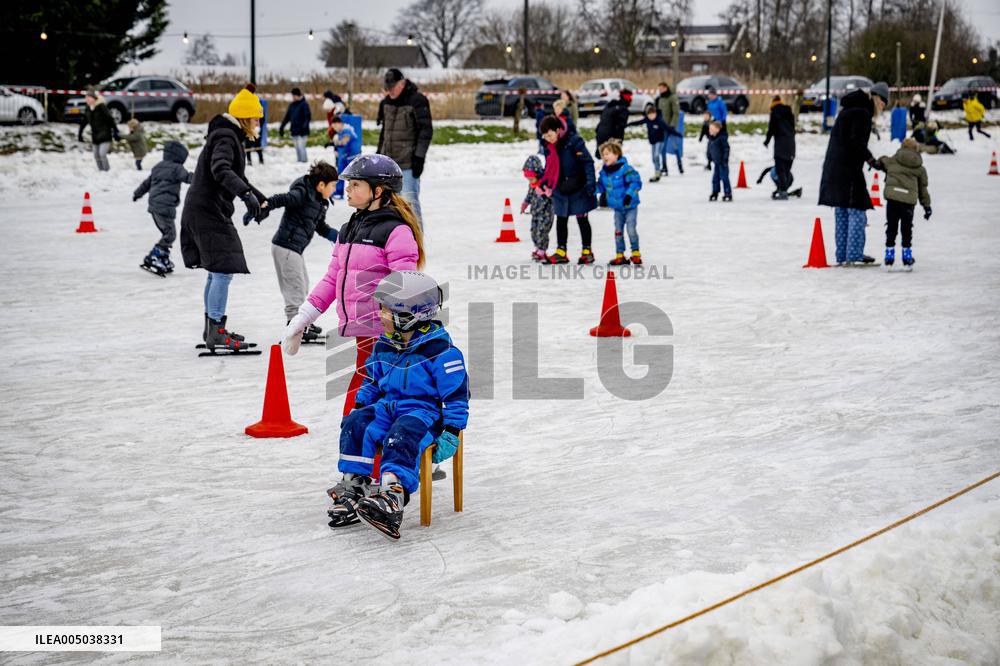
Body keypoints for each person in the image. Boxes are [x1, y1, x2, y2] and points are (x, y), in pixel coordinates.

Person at [325, 270, 469, 540]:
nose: (381, 315)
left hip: (422, 415)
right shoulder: (385, 345)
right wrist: (361, 405)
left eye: (387, 311)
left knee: (402, 433)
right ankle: (355, 485)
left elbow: (457, 396)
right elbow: (372, 380)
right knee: (357, 423)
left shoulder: (442, 352)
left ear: (409, 315)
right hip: (388, 407)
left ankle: (394, 495)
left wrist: (451, 432)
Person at [282, 154, 422, 417]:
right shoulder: (349, 229)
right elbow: (333, 278)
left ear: (377, 190)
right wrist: (303, 318)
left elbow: (404, 283)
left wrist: (398, 330)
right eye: (348, 183)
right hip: (364, 335)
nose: (347, 188)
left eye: (356, 184)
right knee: (361, 400)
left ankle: (379, 452)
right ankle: (363, 449)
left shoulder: (396, 231)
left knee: (368, 402)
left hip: (386, 336)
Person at [180, 83, 268, 353]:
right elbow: (221, 169)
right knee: (223, 268)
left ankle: (212, 329)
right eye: (255, 118)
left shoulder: (226, 135)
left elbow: (236, 175)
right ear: (244, 117)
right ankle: (216, 329)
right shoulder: (226, 137)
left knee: (218, 268)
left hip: (204, 209)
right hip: (208, 211)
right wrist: (244, 195)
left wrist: (257, 197)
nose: (258, 124)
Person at [260, 161, 340, 340]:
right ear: (321, 185)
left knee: (302, 284)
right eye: (333, 186)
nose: (334, 190)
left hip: (293, 249)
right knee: (294, 288)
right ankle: (293, 325)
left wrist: (338, 237)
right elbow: (285, 198)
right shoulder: (303, 193)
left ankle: (302, 323)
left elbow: (320, 226)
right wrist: (266, 205)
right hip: (286, 247)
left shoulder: (319, 201)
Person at [818, 82, 889, 265]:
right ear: (876, 98)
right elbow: (856, 142)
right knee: (857, 210)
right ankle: (854, 255)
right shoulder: (862, 113)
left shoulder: (849, 110)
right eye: (882, 103)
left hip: (834, 167)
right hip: (847, 169)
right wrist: (871, 160)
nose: (882, 107)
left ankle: (843, 255)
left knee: (842, 210)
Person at [377, 68, 433, 225]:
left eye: (392, 88)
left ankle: (417, 246)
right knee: (388, 208)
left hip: (408, 164)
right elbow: (384, 131)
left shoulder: (417, 100)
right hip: (388, 165)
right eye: (387, 89)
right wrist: (379, 155)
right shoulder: (386, 102)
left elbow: (426, 131)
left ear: (402, 84)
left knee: (410, 206)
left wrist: (419, 158)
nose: (389, 92)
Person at [539, 115, 597, 265]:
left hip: (578, 185)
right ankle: (561, 251)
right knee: (561, 218)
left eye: (550, 135)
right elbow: (549, 168)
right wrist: (544, 183)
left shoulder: (574, 142)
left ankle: (587, 251)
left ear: (558, 130)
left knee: (582, 218)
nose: (548, 139)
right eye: (545, 136)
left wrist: (591, 183)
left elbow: (588, 162)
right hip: (560, 187)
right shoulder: (549, 147)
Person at [132, 140, 193, 276]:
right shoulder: (177, 168)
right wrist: (201, 178)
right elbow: (188, 178)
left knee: (167, 233)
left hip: (154, 206)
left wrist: (137, 193)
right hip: (165, 207)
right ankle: (154, 256)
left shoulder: (158, 167)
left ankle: (163, 257)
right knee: (170, 234)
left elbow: (146, 184)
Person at [873, 137, 931, 269]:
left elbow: (882, 161)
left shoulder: (893, 160)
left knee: (891, 227)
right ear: (916, 149)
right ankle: (907, 258)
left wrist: (878, 161)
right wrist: (926, 206)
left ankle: (889, 257)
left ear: (903, 147)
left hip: (893, 199)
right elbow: (923, 189)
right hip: (908, 202)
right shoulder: (920, 168)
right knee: (906, 229)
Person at [596, 141, 643, 266]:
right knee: (618, 231)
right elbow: (600, 186)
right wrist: (590, 191)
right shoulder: (604, 173)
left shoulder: (625, 169)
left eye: (607, 154)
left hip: (630, 206)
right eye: (603, 155)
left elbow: (636, 182)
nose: (605, 157)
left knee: (631, 229)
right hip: (617, 208)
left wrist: (629, 195)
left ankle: (636, 253)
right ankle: (620, 255)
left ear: (616, 154)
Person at [520, 154, 554, 263]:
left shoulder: (544, 183)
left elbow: (552, 195)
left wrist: (547, 193)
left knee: (542, 232)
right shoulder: (532, 185)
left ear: (537, 174)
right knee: (534, 231)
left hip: (546, 213)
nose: (530, 181)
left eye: (531, 178)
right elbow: (530, 195)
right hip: (535, 213)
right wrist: (525, 203)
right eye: (528, 179)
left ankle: (542, 251)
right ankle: (537, 248)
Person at [627, 104, 672, 182]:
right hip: (653, 141)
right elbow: (638, 122)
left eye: (652, 115)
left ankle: (658, 172)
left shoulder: (659, 120)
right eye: (649, 115)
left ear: (655, 114)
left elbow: (668, 128)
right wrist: (629, 124)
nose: (651, 117)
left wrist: (677, 133)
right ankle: (657, 172)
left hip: (660, 141)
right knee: (653, 159)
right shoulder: (647, 119)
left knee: (656, 155)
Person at [77, 88, 119, 171]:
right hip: (95, 135)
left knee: (102, 154)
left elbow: (110, 119)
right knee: (96, 155)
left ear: (94, 98)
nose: (87, 100)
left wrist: (115, 131)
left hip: (105, 134)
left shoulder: (101, 106)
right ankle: (101, 171)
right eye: (86, 98)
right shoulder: (88, 109)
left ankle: (107, 171)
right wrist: (80, 133)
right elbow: (84, 121)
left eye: (89, 98)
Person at [764, 95, 797, 200]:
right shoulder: (789, 113)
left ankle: (783, 191)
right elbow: (793, 127)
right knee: (787, 169)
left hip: (780, 145)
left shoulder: (774, 113)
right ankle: (784, 189)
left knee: (780, 169)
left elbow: (771, 129)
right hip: (791, 144)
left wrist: (767, 141)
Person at [329, 115, 362, 200]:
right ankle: (338, 192)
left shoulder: (347, 130)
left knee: (353, 176)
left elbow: (344, 141)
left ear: (340, 123)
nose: (335, 128)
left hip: (352, 157)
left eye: (335, 126)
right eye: (333, 127)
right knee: (340, 173)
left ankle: (357, 193)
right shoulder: (340, 132)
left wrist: (335, 143)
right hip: (344, 157)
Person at [594, 88, 632, 157]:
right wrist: (619, 141)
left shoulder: (609, 105)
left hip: (600, 134)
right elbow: (620, 126)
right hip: (611, 137)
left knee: (604, 157)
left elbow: (602, 118)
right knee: (613, 158)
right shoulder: (623, 109)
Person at [280, 87, 312, 163]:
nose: (293, 97)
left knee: (301, 148)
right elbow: (287, 117)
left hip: (302, 132)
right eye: (292, 96)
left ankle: (304, 162)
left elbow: (307, 117)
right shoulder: (292, 105)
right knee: (297, 148)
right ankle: (299, 162)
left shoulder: (304, 104)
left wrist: (304, 127)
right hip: (294, 130)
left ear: (298, 95)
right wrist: (282, 127)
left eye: (294, 96)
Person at [707, 121, 732, 202]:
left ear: (717, 129)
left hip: (722, 163)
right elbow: (709, 150)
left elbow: (726, 149)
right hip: (716, 163)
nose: (709, 130)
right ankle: (715, 192)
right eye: (709, 129)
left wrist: (725, 159)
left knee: (724, 178)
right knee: (715, 179)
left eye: (711, 129)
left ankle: (727, 193)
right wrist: (709, 160)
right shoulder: (711, 139)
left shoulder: (722, 138)